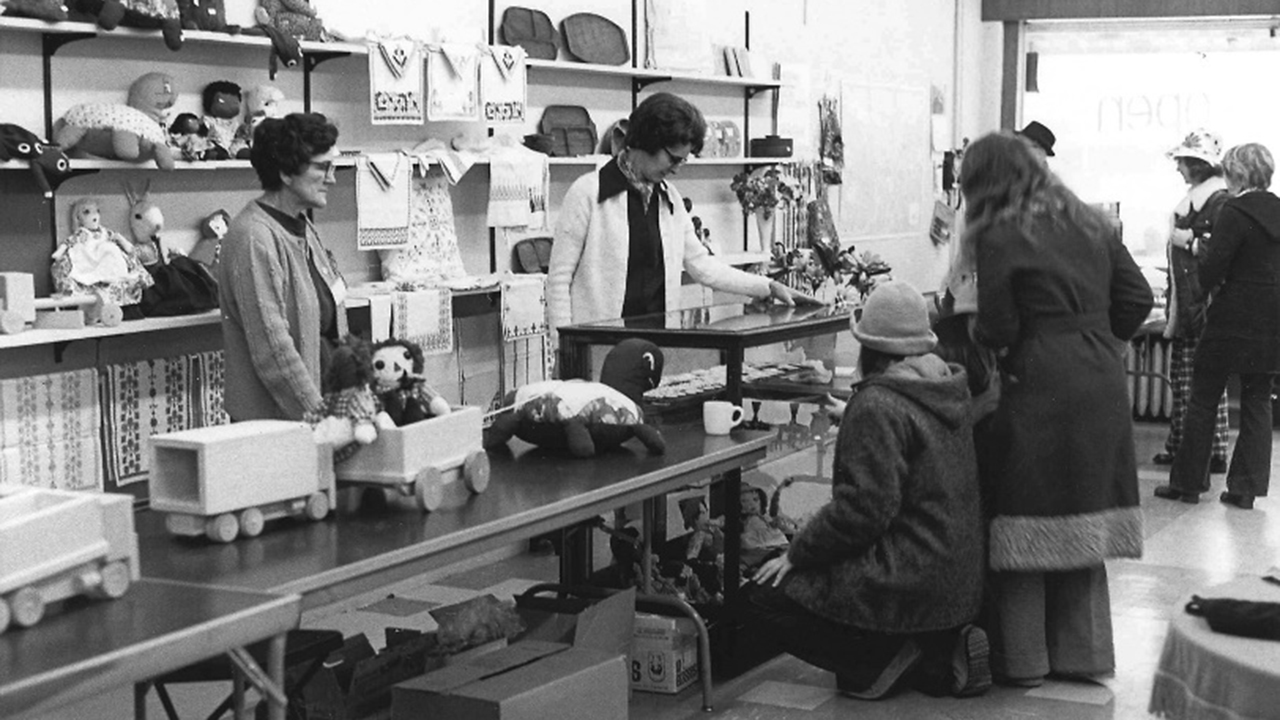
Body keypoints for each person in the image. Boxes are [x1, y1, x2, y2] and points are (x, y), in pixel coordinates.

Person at [960, 131, 1152, 687]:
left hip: (1038, 377)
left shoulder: (1000, 232)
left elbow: (998, 326)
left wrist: (977, 329)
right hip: (1100, 375)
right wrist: (1096, 337)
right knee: (1084, 509)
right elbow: (1137, 298)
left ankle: (1024, 661)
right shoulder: (1092, 222)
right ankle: (1085, 655)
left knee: (1026, 514)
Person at [742, 280, 989, 700]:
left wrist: (796, 552)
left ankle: (875, 663)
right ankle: (933, 658)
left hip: (907, 581)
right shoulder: (942, 384)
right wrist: (854, 414)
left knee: (759, 599)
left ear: (869, 346)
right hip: (956, 583)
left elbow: (860, 514)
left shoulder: (877, 404)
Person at [547, 92, 816, 342]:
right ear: (646, 141)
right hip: (596, 347)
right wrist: (564, 347)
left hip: (657, 345)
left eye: (682, 161)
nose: (677, 169)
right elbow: (559, 280)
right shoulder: (587, 192)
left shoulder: (670, 198)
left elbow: (703, 266)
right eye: (673, 159)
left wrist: (768, 286)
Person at [1155, 143, 1280, 510]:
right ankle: (1245, 489)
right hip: (1273, 318)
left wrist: (1201, 257)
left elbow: (1212, 270)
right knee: (1258, 399)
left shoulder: (1235, 211)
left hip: (1231, 316)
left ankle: (1188, 484)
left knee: (1203, 395)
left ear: (1238, 174)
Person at [219, 112, 348, 422]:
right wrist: (320, 419)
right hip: (275, 426)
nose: (331, 178)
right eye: (322, 167)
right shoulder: (254, 237)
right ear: (286, 173)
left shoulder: (302, 227)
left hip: (318, 416)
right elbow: (273, 352)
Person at [1153, 129, 1232, 472]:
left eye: (1182, 161)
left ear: (1198, 166)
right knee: (1191, 382)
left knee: (1195, 383)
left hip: (1200, 305)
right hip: (1193, 303)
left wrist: (1188, 243)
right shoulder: (1209, 200)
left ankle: (1199, 451)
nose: (1178, 168)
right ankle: (1192, 447)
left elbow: (1219, 253)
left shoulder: (1217, 202)